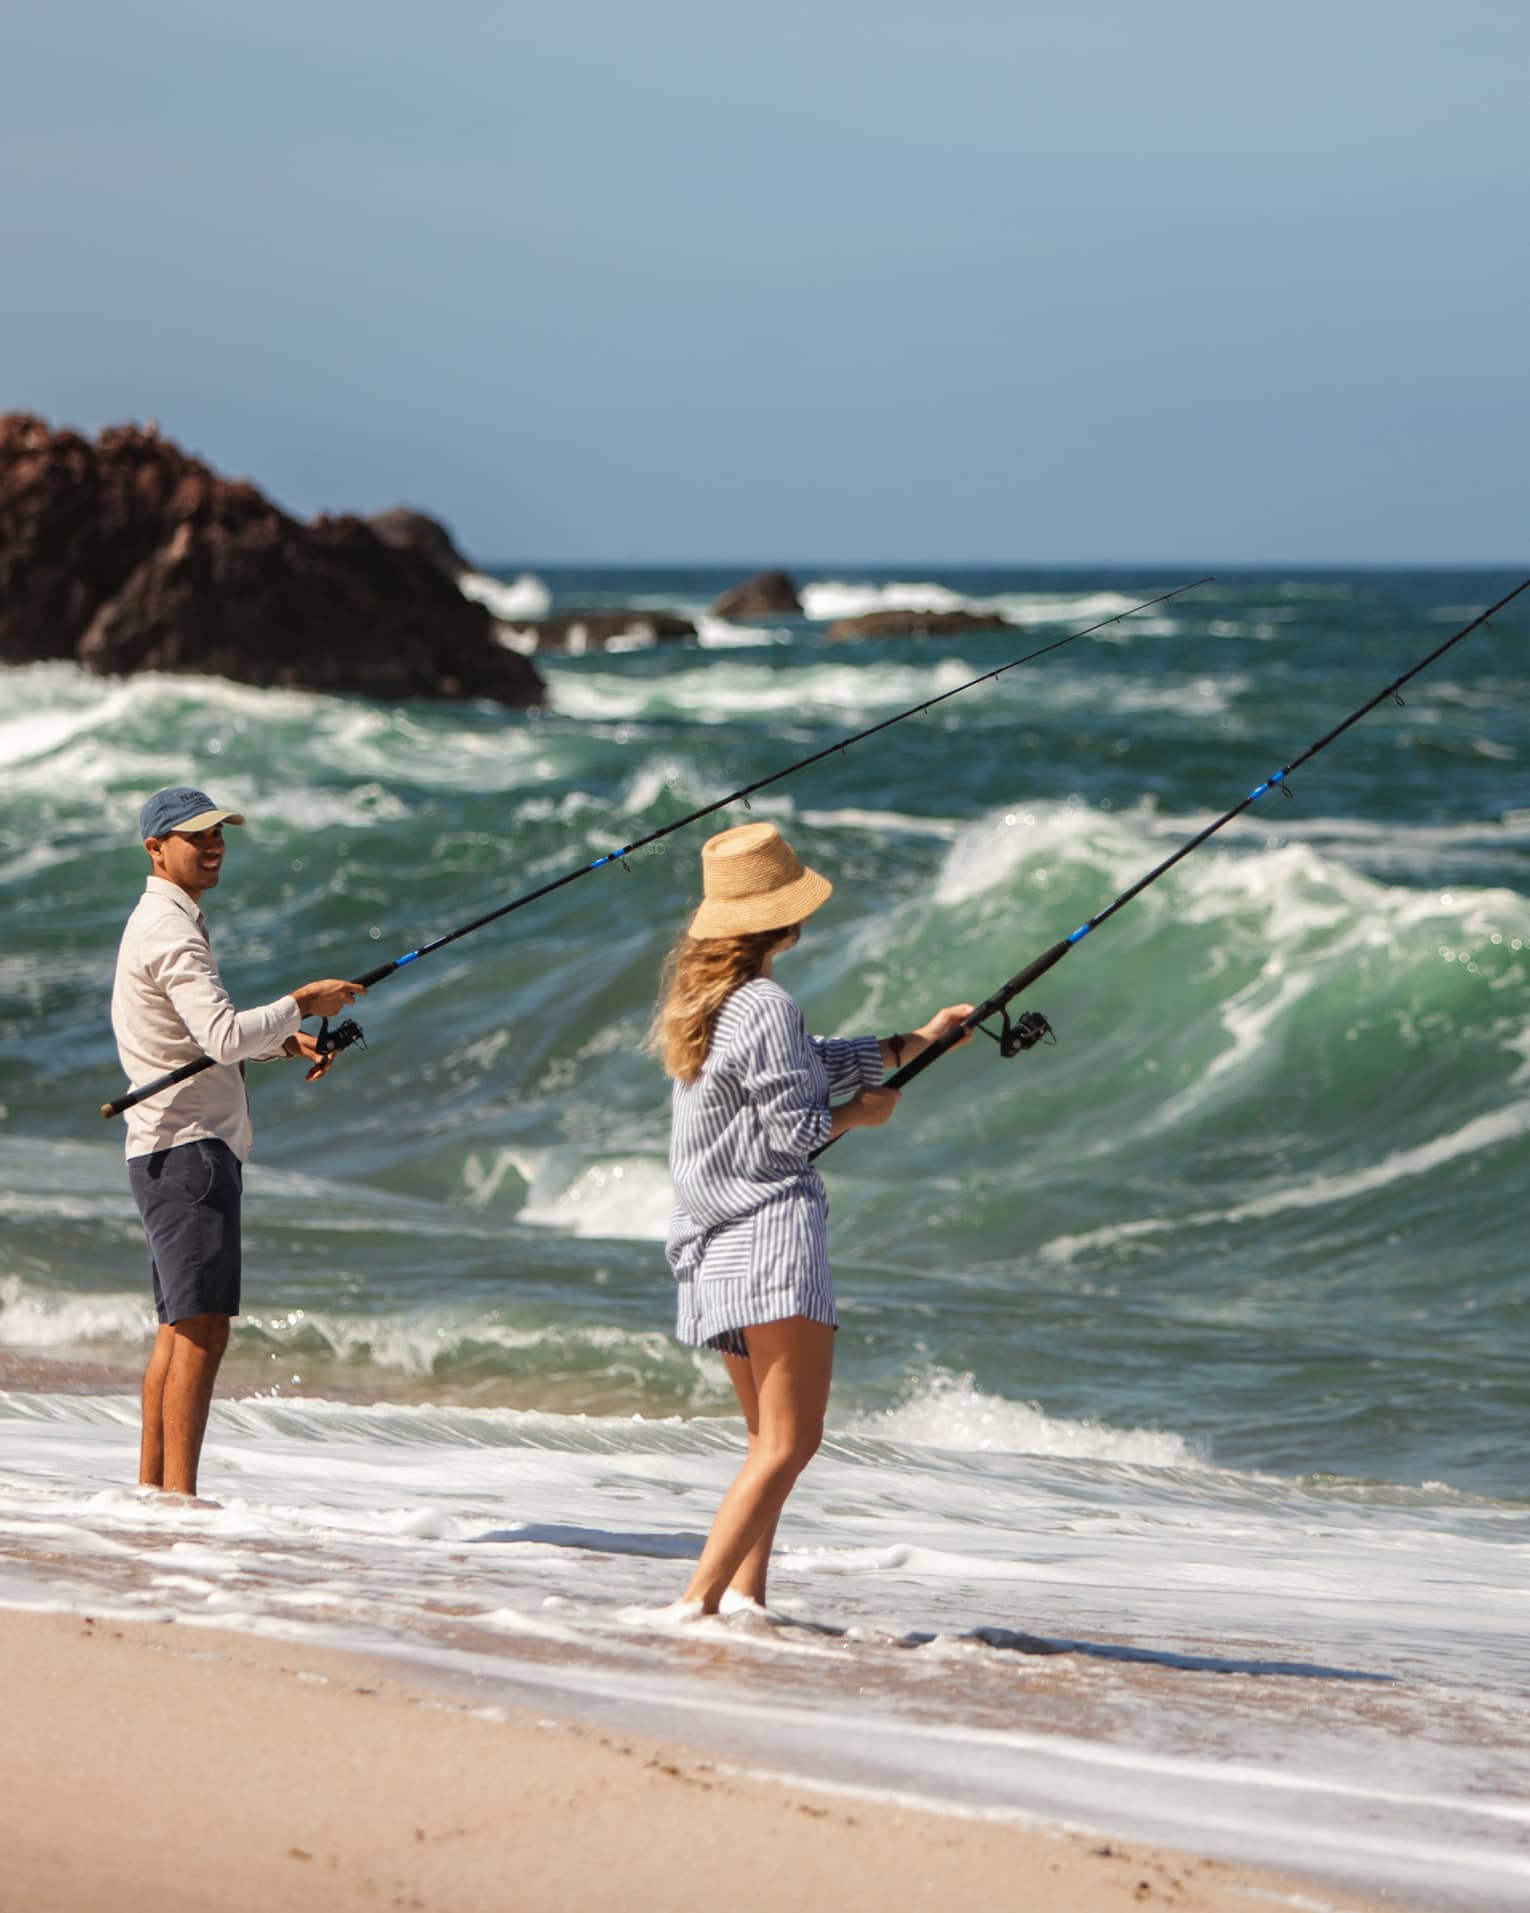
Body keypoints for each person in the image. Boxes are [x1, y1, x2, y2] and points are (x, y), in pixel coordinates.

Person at [651, 820, 972, 1616]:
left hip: (714, 1248)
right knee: (792, 1443)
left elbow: (806, 1061)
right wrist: (859, 1117)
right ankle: (694, 1606)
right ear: (782, 921)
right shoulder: (766, 1004)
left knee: (767, 1446)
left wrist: (917, 1040)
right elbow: (796, 1128)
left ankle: (746, 1605)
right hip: (769, 1242)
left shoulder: (711, 1006)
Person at [111, 786, 364, 1499]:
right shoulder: (171, 929)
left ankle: (154, 1498)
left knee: (178, 1329)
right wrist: (300, 1002)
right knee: (201, 1331)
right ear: (156, 849)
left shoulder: (163, 920)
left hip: (168, 1149)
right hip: (190, 1152)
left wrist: (290, 1040)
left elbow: (197, 1038)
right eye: (197, 836)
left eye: (219, 832)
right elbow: (222, 1035)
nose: (214, 844)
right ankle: (178, 1503)